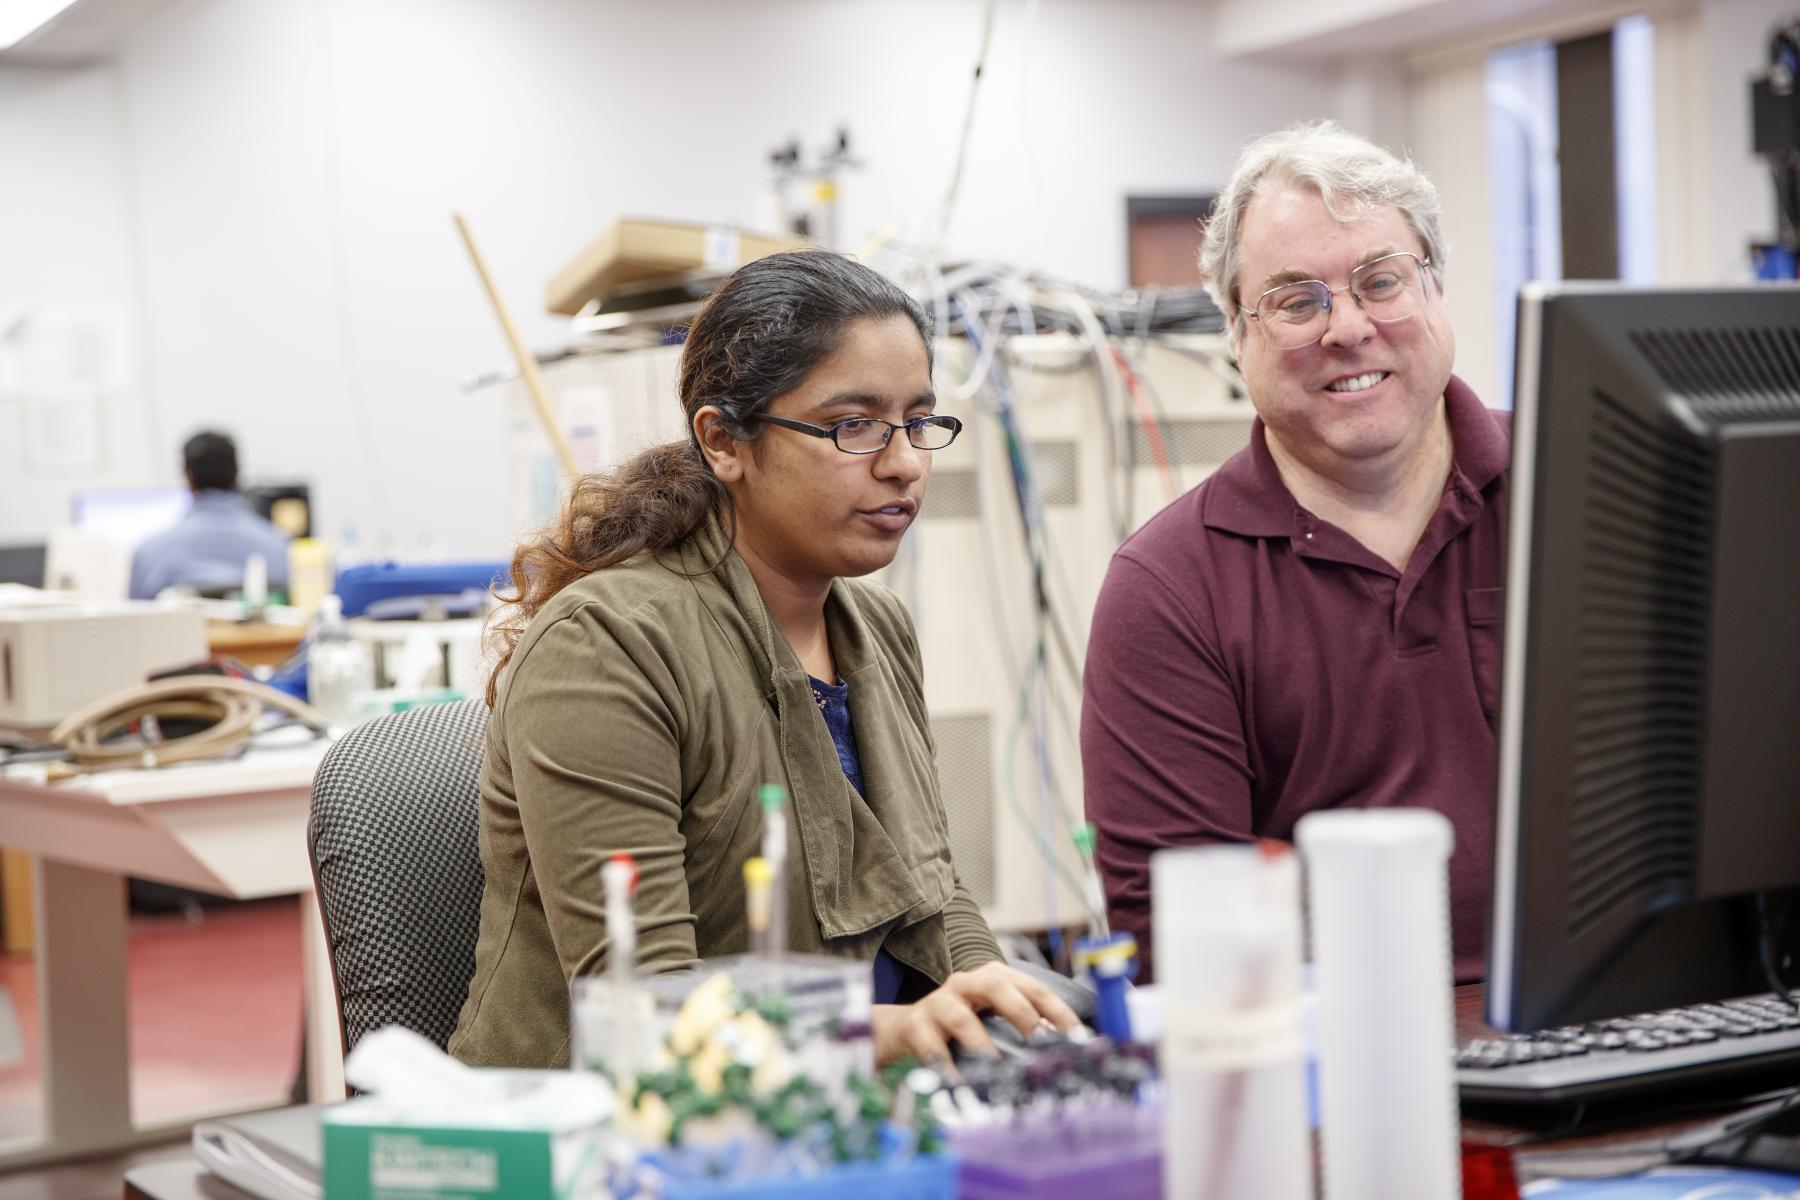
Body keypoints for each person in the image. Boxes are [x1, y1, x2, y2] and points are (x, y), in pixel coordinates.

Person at [449, 250, 1079, 1070]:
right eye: (853, 425)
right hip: (623, 1133)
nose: (904, 463)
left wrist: (993, 995)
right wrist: (891, 1034)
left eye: (918, 422)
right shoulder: (607, 646)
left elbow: (932, 889)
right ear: (723, 441)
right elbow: (642, 1005)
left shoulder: (875, 628)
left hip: (846, 1103)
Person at [1081, 121, 1508, 984]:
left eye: (1381, 281)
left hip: (1643, 1022)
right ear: (1236, 337)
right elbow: (1184, 940)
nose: (1347, 328)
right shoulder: (1168, 591)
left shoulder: (1592, 486)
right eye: (1295, 299)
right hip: (1343, 1062)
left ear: (1437, 291)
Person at [128, 430, 291, 600]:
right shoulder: (282, 550)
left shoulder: (150, 555)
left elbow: (133, 623)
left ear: (188, 477)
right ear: (237, 475)